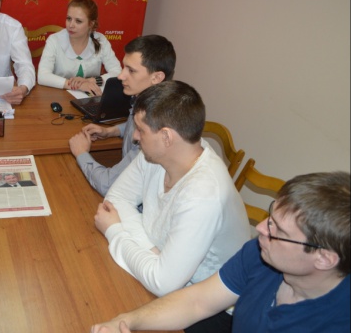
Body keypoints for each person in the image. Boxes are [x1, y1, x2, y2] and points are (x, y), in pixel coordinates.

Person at [91, 171, 351, 333]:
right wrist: (125, 322)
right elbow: (197, 302)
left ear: (324, 258)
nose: (261, 228)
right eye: (270, 216)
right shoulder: (262, 253)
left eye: (278, 230)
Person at [94, 81, 251, 332]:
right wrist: (151, 250)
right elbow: (116, 200)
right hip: (168, 280)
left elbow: (162, 283)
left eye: (141, 130)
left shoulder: (203, 194)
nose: (134, 136)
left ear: (166, 137)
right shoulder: (161, 154)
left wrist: (115, 231)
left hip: (210, 310)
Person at [69, 34, 175, 197]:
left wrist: (81, 153)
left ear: (156, 77)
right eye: (124, 67)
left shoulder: (154, 130)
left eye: (131, 70)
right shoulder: (146, 101)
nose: (120, 76)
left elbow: (108, 185)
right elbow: (133, 124)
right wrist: (111, 131)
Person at [37, 0, 121, 96]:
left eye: (78, 21)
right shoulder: (54, 40)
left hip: (88, 98)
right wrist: (77, 85)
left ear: (91, 24)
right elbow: (42, 76)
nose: (71, 25)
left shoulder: (101, 40)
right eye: (69, 19)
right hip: (58, 96)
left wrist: (91, 81)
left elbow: (117, 72)